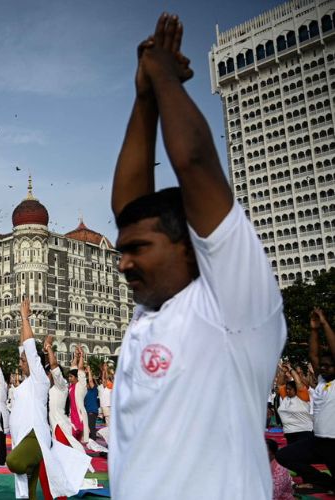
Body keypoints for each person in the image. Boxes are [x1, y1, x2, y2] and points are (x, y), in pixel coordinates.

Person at [108, 14, 286, 499]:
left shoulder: (230, 309)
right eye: (123, 251)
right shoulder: (151, 311)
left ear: (189, 245)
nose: (124, 263)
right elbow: (129, 207)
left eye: (138, 250)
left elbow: (195, 163)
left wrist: (163, 73)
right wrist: (143, 96)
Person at [6, 298, 90, 499]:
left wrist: (26, 318)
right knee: (29, 490)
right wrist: (21, 321)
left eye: (24, 360)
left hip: (34, 436)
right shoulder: (27, 382)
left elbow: (29, 348)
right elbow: (22, 347)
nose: (21, 362)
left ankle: (35, 461)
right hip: (23, 437)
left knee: (14, 463)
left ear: (35, 364)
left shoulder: (40, 380)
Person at [277, 307, 335, 492]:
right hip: (317, 440)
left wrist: (324, 324)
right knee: (285, 455)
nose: (324, 368)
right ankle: (324, 482)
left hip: (334, 442)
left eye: (329, 366)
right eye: (322, 366)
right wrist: (313, 330)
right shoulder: (320, 382)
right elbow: (313, 355)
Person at [275, 362, 313, 444]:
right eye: (287, 389)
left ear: (296, 390)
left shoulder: (302, 397)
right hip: (289, 433)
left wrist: (290, 368)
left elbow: (298, 382)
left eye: (290, 389)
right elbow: (279, 384)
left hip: (304, 432)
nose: (287, 391)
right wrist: (282, 371)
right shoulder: (285, 398)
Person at [68, 346, 88, 443]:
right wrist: (75, 356)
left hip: (79, 417)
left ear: (77, 377)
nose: (69, 379)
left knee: (79, 441)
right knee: (72, 440)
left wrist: (82, 356)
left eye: (71, 377)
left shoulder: (81, 386)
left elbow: (80, 369)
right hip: (71, 416)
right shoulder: (71, 387)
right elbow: (73, 367)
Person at [84, 365, 99, 441]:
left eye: (88, 384)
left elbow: (90, 381)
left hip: (92, 411)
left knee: (91, 427)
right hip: (88, 411)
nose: (86, 385)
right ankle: (91, 441)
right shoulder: (87, 392)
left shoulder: (94, 390)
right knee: (89, 428)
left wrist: (89, 371)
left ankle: (94, 443)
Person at [98, 362, 113, 427]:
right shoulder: (106, 385)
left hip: (110, 404)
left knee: (111, 421)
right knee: (108, 422)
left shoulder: (112, 384)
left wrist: (105, 370)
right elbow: (104, 378)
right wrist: (104, 371)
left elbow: (106, 378)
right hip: (106, 405)